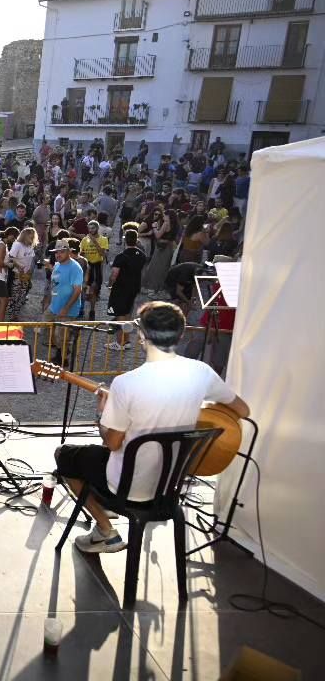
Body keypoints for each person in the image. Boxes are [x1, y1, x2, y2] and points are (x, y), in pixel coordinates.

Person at [54, 301, 249, 553]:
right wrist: (196, 410)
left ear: (142, 336)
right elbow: (243, 410)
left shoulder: (126, 384)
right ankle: (106, 518)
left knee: (65, 455)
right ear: (181, 335)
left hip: (127, 488)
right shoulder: (202, 373)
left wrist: (102, 414)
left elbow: (112, 444)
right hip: (169, 487)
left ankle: (105, 530)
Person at [105, 226, 148, 350]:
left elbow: (114, 275)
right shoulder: (142, 255)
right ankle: (127, 341)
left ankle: (119, 343)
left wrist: (109, 285)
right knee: (128, 315)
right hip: (134, 288)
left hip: (121, 289)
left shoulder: (121, 256)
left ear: (125, 240)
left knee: (120, 315)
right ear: (136, 240)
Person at [79, 219, 110, 320]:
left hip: (96, 265)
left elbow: (103, 254)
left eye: (93, 228)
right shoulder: (84, 240)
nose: (91, 230)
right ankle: (81, 308)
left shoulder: (103, 239)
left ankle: (92, 310)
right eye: (89, 228)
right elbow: (81, 253)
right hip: (86, 265)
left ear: (97, 228)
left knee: (94, 290)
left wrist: (94, 241)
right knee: (83, 288)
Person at [7, 227, 37, 322]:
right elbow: (10, 257)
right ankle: (10, 315)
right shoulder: (17, 245)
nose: (32, 239)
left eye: (33, 237)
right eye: (30, 237)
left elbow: (31, 259)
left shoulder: (30, 246)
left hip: (26, 275)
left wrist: (30, 271)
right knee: (14, 295)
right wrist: (19, 266)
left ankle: (16, 314)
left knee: (22, 296)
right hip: (17, 274)